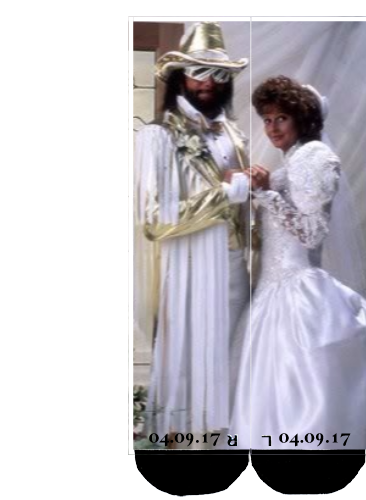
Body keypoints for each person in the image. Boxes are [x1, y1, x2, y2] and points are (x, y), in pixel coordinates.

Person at [229, 75, 366, 450]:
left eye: (281, 118)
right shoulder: (293, 159)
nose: (272, 128)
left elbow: (311, 233)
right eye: (267, 119)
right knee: (270, 392)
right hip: (273, 289)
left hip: (297, 292)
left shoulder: (314, 157)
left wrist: (265, 193)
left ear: (301, 119)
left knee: (299, 390)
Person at [135, 22, 251, 443]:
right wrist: (225, 194)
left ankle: (226, 444)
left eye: (218, 74)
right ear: (180, 76)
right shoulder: (159, 136)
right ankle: (186, 447)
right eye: (199, 72)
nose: (208, 83)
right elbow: (155, 219)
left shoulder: (234, 135)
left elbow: (245, 209)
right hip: (189, 270)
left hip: (235, 268)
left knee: (233, 357)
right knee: (189, 358)